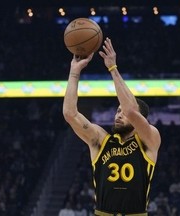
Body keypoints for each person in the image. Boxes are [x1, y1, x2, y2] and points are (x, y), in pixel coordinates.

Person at [63, 37, 161, 216]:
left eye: (121, 111)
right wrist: (74, 72)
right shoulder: (101, 140)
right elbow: (70, 114)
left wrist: (113, 68)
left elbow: (131, 111)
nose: (119, 114)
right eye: (117, 111)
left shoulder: (150, 139)